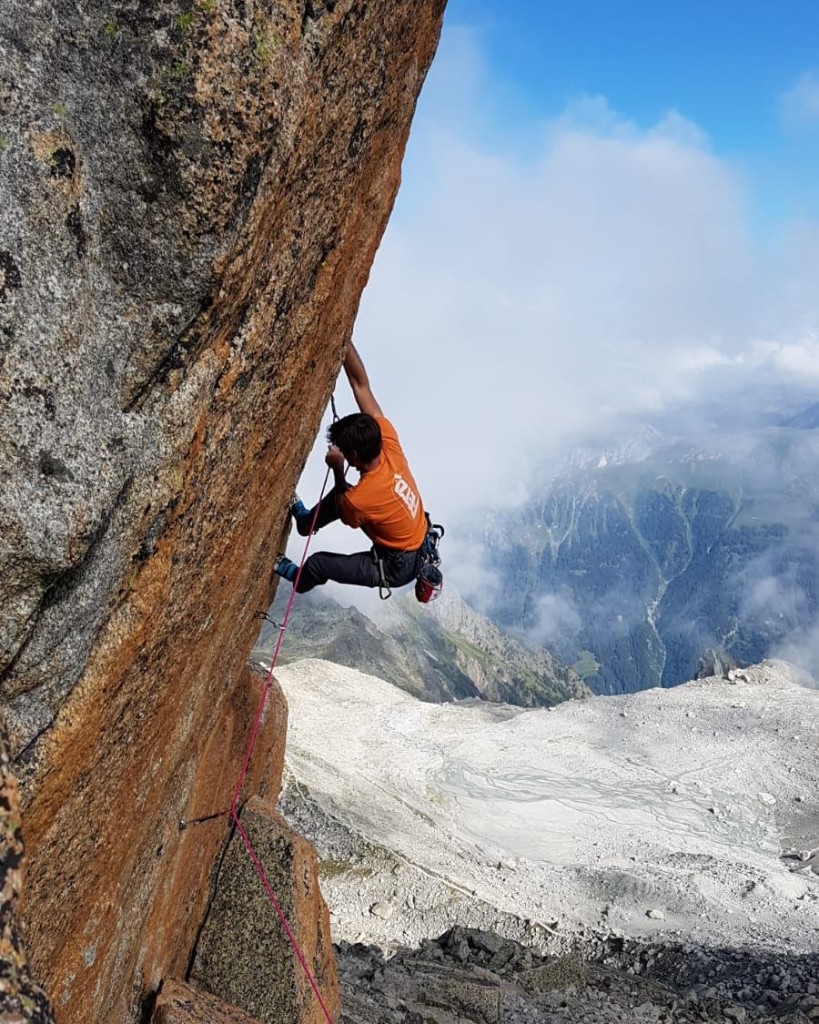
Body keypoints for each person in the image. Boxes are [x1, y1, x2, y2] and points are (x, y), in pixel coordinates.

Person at [273, 342, 428, 595]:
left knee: (317, 564)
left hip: (395, 566)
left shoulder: (362, 498)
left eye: (342, 449)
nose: (337, 450)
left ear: (353, 456)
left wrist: (337, 469)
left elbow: (345, 505)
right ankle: (304, 522)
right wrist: (344, 340)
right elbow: (361, 384)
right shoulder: (386, 440)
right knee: (339, 498)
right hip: (414, 541)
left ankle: (298, 578)